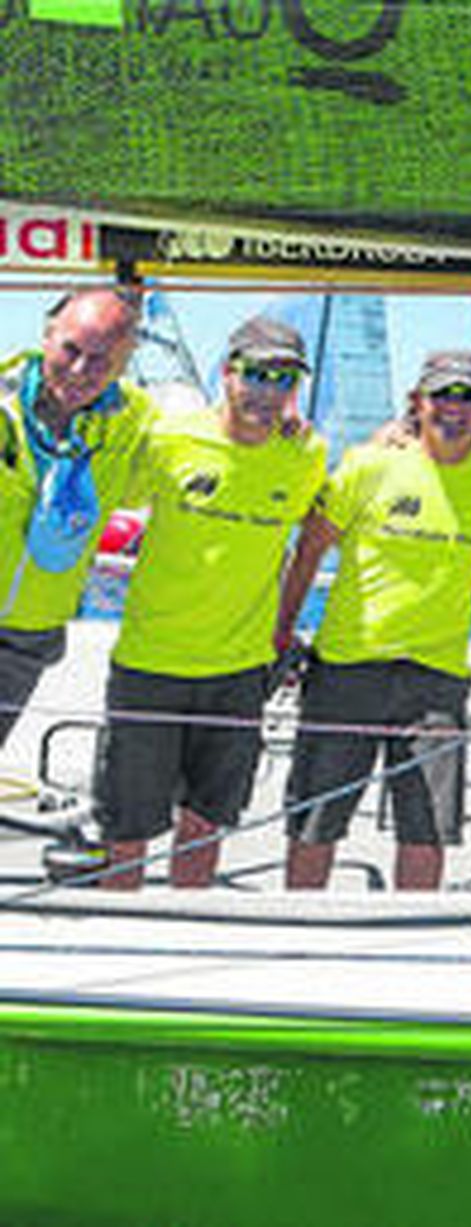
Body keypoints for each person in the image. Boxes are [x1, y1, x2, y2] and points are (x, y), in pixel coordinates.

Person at [276, 351, 471, 891]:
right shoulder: (370, 463)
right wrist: (281, 628)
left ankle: (414, 953)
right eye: (442, 395)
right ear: (418, 403)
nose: (454, 409)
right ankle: (293, 942)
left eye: (469, 399)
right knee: (315, 823)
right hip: (347, 670)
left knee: (427, 831)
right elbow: (310, 549)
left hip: (436, 682)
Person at [95, 317, 326, 889]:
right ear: (227, 373)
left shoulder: (307, 455)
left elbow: (321, 531)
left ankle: (183, 937)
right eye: (256, 374)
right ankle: (116, 947)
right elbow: (102, 482)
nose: (267, 392)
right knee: (128, 832)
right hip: (150, 665)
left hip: (239, 674)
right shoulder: (172, 438)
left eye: (283, 379)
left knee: (205, 826)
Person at [0, 287, 152, 750]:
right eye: (71, 349)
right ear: (47, 336)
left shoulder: (134, 422)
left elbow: (208, 435)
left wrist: (283, 420)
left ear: (125, 364)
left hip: (27, 638)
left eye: (102, 360)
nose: (81, 370)